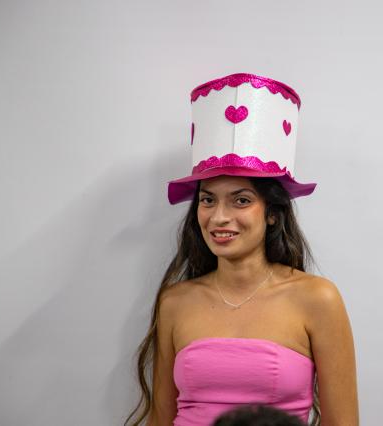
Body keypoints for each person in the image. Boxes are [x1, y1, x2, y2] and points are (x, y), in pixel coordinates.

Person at [124, 73, 358, 426]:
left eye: (241, 200)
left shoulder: (317, 299)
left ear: (272, 214)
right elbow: (161, 419)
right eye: (208, 200)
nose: (219, 217)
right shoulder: (175, 301)